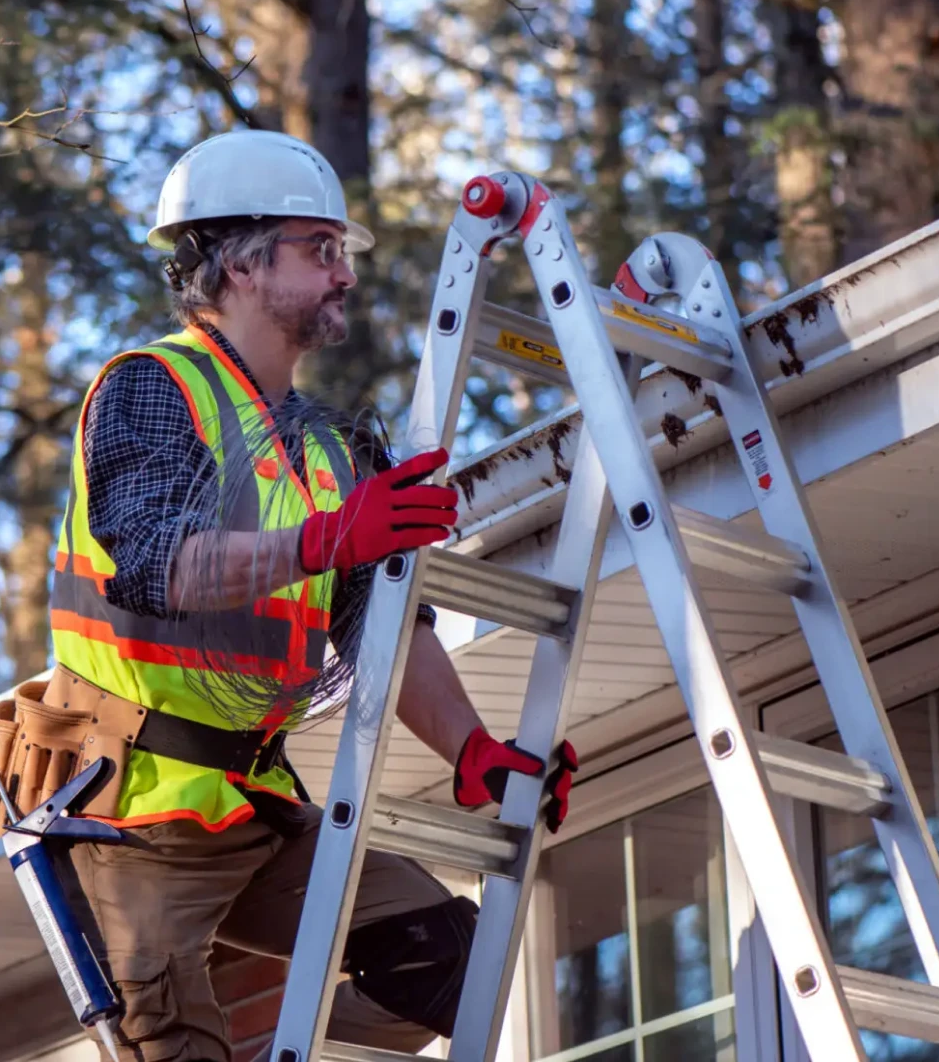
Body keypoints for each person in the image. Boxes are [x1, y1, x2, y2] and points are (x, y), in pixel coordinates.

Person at [38, 130, 577, 1062]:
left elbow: (382, 633)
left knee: (453, 959)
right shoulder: (151, 390)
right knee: (168, 1041)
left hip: (254, 799)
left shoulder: (336, 450)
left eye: (341, 253)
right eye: (318, 250)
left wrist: (473, 750)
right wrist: (329, 537)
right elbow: (157, 566)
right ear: (240, 264)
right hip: (132, 811)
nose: (344, 276)